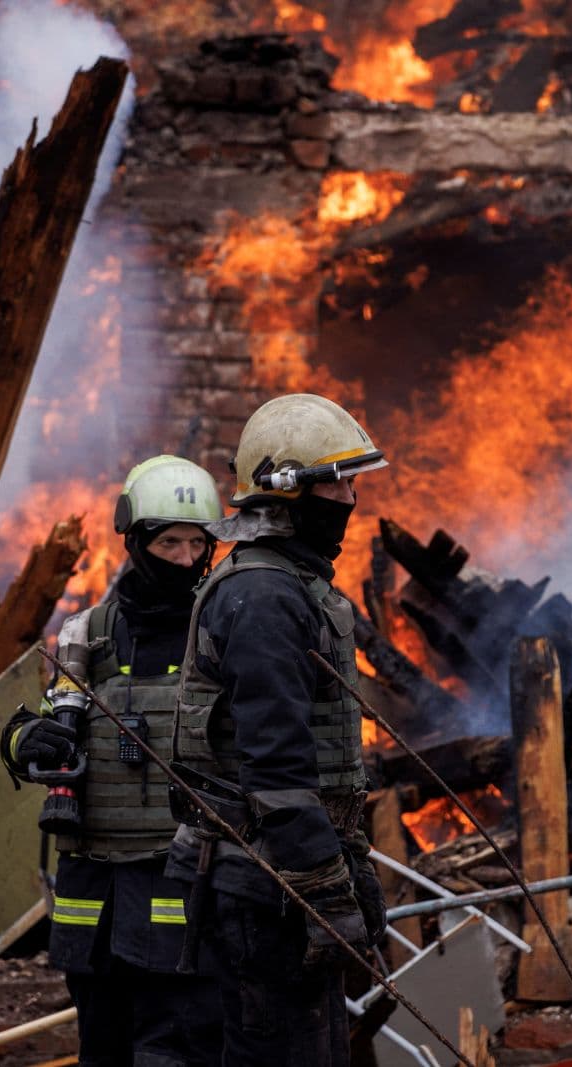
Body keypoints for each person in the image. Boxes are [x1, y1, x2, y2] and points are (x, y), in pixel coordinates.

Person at [165, 394, 390, 1067]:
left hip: (277, 877)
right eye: (337, 482)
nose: (349, 498)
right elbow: (278, 769)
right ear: (287, 492)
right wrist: (327, 891)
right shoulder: (265, 597)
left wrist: (349, 866)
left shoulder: (287, 585)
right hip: (261, 889)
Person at [1, 455, 226, 1067]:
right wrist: (29, 743)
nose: (184, 559)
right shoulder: (89, 634)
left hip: (182, 887)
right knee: (103, 1048)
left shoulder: (222, 631)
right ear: (135, 541)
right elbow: (45, 718)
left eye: (196, 543)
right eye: (168, 542)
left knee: (177, 1048)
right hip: (93, 897)